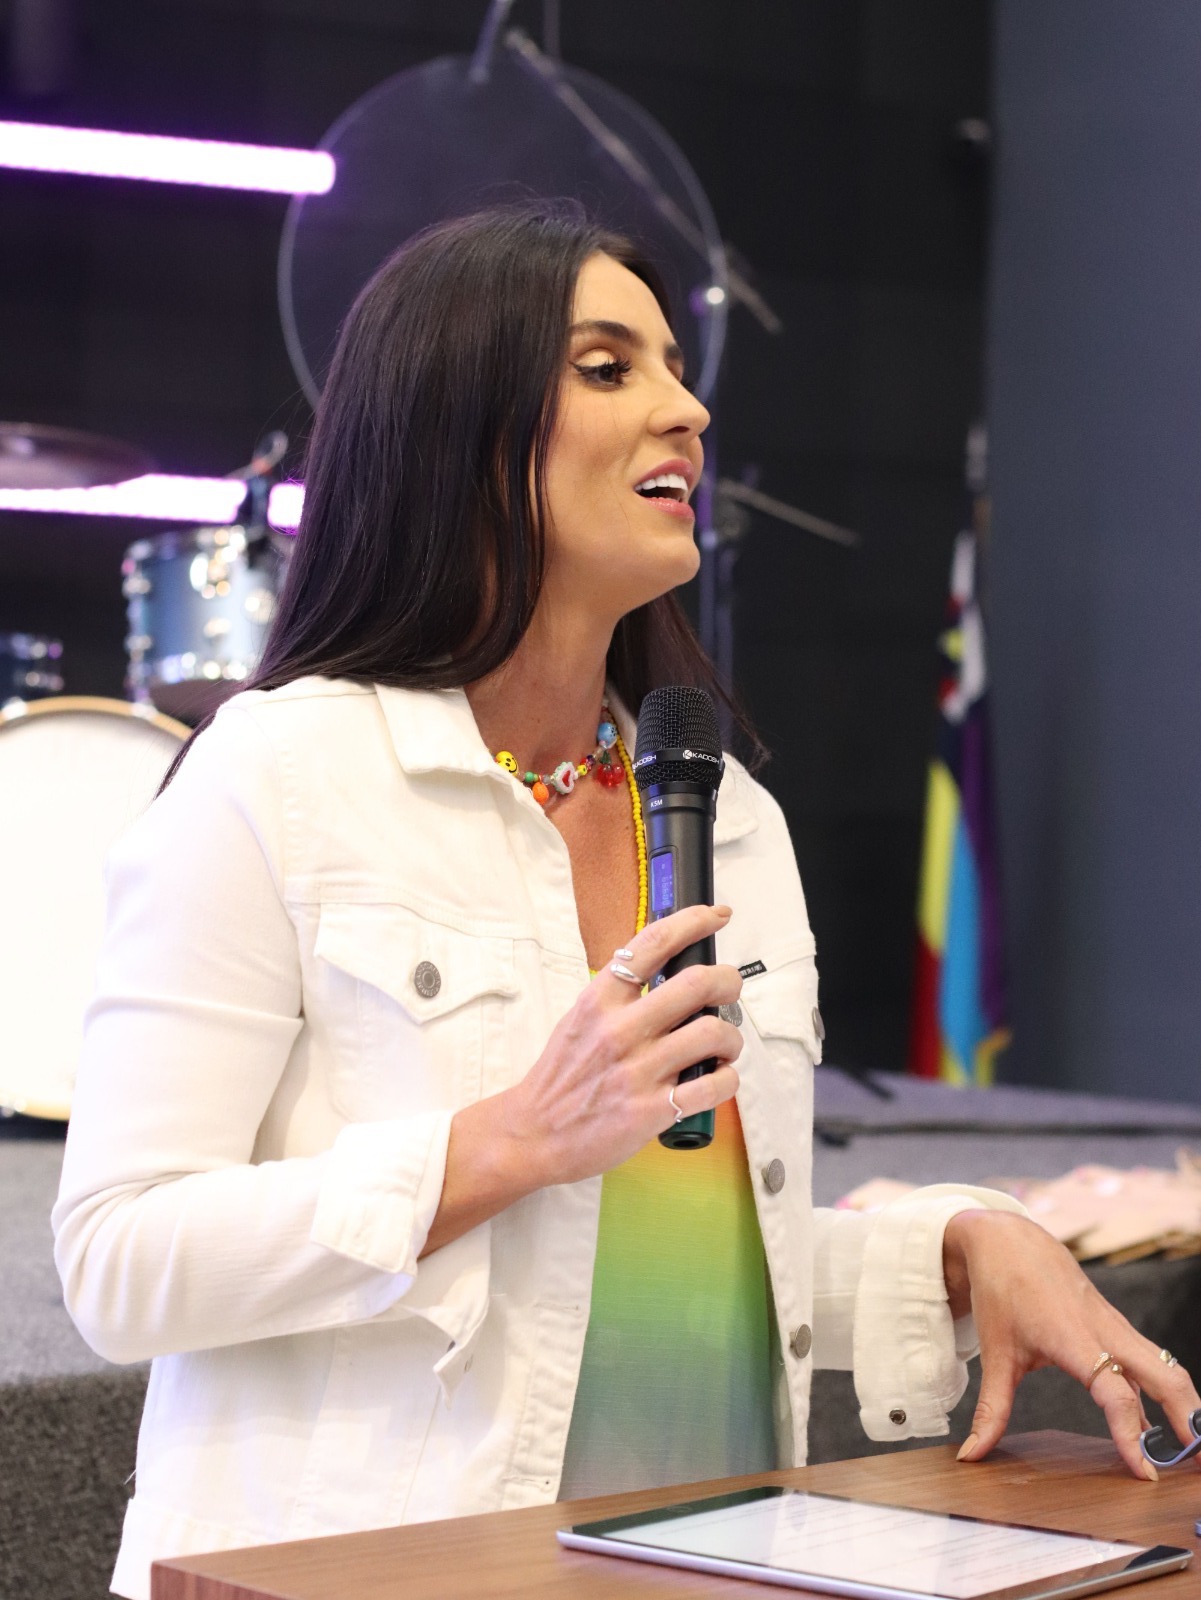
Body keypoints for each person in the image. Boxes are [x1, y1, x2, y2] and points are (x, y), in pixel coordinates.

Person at [53, 205, 1199, 1600]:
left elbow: (662, 1273)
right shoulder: (278, 774)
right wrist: (505, 1141)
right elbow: (117, 1261)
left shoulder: (734, 818)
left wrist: (961, 1248)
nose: (688, 410)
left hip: (708, 1564)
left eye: (675, 367)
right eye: (608, 368)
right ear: (456, 428)